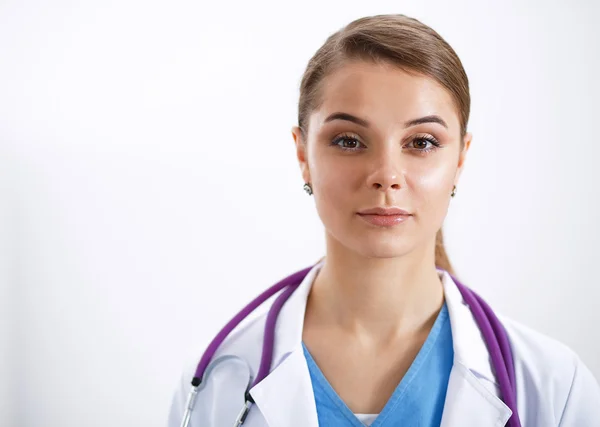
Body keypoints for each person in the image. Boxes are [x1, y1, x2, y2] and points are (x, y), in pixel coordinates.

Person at [167, 13, 600, 427]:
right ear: (303, 155)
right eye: (350, 140)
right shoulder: (216, 383)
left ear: (461, 158)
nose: (387, 176)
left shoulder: (554, 385)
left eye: (422, 142)